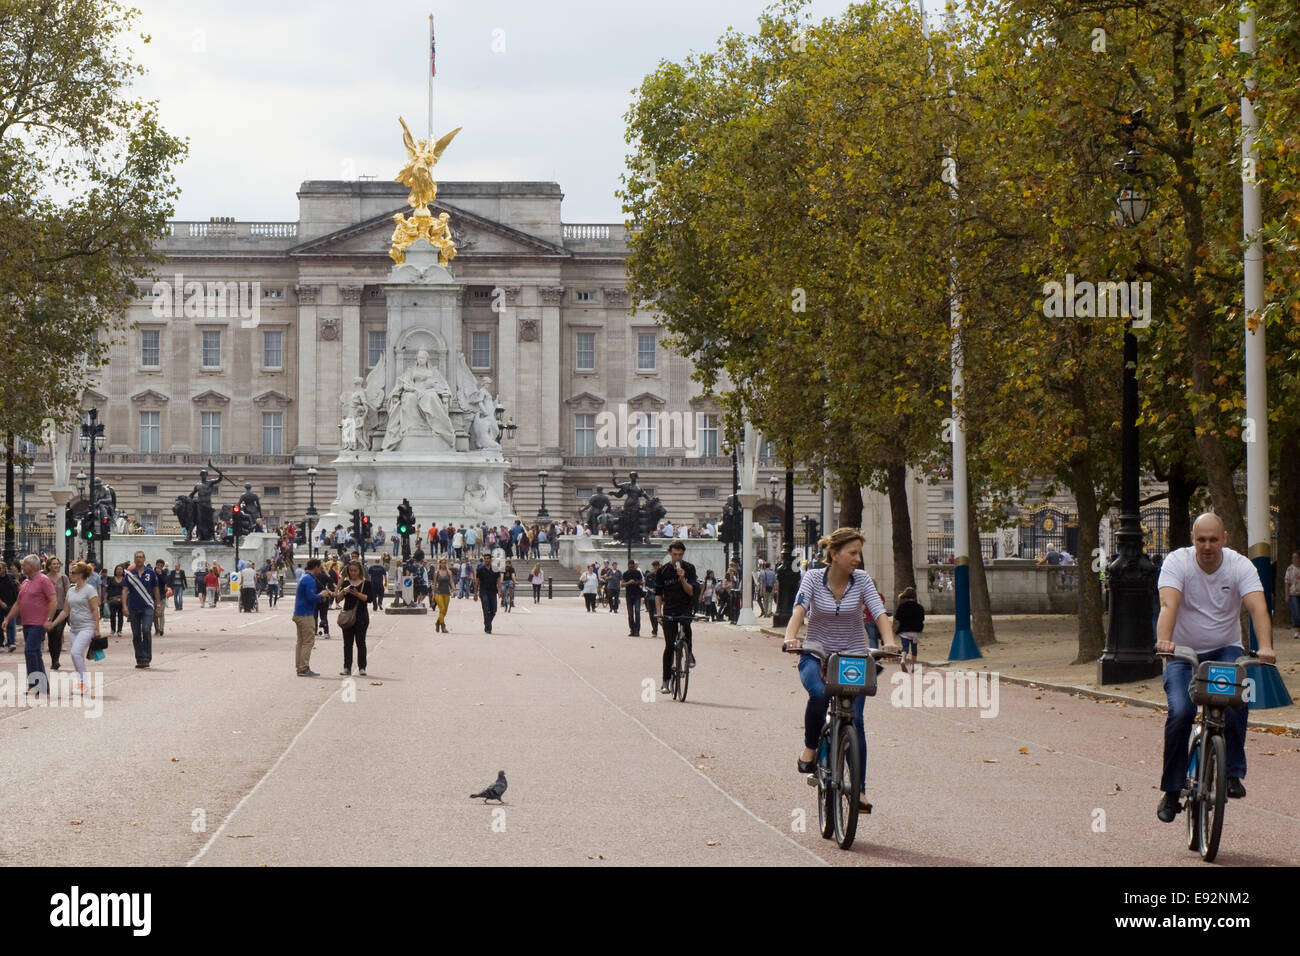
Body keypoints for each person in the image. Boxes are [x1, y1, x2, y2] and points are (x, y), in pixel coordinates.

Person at [1153, 513, 1275, 822]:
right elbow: (1169, 604)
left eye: (1213, 539)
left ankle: (1232, 772)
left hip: (1224, 648)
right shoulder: (1177, 563)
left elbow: (1257, 606)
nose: (1207, 546)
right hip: (1183, 651)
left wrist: (1266, 646)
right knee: (1180, 711)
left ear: (1224, 537)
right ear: (1192, 539)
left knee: (1236, 699)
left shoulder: (1239, 565)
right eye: (1200, 540)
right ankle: (1171, 790)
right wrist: (1164, 642)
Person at [782, 528, 899, 811]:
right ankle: (811, 748)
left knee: (855, 722)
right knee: (820, 694)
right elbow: (799, 609)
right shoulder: (811, 578)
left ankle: (858, 790)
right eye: (852, 553)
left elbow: (879, 611)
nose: (858, 559)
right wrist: (790, 637)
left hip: (853, 659)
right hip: (816, 655)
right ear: (834, 554)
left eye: (860, 553)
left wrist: (890, 641)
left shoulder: (861, 581)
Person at [3, 556, 56, 693]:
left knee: (30, 650)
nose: (22, 566)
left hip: (38, 623)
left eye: (25, 564)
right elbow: (18, 603)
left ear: (32, 566)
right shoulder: (25, 582)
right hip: (27, 623)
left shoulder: (43, 580)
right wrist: (8, 619)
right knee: (35, 653)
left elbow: (53, 600)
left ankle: (34, 682)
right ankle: (43, 686)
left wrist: (49, 619)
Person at [48, 561, 99, 693]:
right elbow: (65, 611)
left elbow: (95, 610)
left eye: (74, 572)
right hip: (74, 629)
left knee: (75, 653)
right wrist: (53, 623)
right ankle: (81, 683)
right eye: (70, 572)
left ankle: (83, 684)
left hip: (87, 627)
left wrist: (96, 629)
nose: (71, 574)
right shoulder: (71, 590)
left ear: (81, 574)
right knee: (78, 656)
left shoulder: (90, 590)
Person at [655, 541, 697, 694]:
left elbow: (691, 591)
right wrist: (659, 613)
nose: (677, 557)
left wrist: (682, 579)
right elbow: (658, 594)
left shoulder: (689, 568)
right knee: (669, 646)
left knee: (686, 626)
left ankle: (689, 652)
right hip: (670, 609)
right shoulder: (663, 571)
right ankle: (665, 681)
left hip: (685, 607)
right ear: (670, 553)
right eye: (675, 554)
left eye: (680, 554)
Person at [333, 561, 372, 676]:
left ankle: (362, 667)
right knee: (347, 643)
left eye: (355, 570)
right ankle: (347, 667)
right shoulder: (345, 583)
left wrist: (356, 593)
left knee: (361, 642)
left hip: (361, 616)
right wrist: (344, 591)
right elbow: (338, 599)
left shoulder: (366, 583)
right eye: (351, 571)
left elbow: (368, 599)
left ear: (360, 571)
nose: (353, 573)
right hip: (348, 616)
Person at [123, 550, 161, 668]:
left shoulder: (150, 573)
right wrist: (124, 606)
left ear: (144, 559)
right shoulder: (129, 574)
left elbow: (156, 589)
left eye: (141, 557)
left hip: (148, 606)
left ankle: (146, 657)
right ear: (134, 559)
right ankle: (139, 658)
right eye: (137, 557)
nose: (139, 559)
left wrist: (158, 605)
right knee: (136, 634)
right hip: (134, 607)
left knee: (146, 630)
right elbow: (124, 590)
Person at [292, 558, 329, 676]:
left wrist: (318, 597)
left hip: (299, 613)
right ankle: (303, 668)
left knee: (301, 642)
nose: (322, 569)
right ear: (316, 567)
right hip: (306, 614)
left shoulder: (304, 577)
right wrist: (321, 595)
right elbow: (311, 597)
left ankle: (300, 666)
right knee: (308, 642)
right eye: (321, 567)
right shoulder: (310, 580)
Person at [43, 557, 69, 671]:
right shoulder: (44, 579)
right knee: (51, 635)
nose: (57, 566)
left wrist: (68, 609)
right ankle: (53, 660)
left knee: (58, 633)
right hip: (48, 611)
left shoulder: (64, 578)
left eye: (58, 564)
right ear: (49, 566)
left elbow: (68, 594)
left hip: (61, 611)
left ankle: (56, 660)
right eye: (54, 564)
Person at [894, 586, 926, 674]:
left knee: (905, 648)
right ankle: (914, 667)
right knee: (914, 649)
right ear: (915, 596)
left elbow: (897, 617)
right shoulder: (919, 607)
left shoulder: (902, 606)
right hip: (915, 631)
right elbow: (922, 618)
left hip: (904, 630)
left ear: (906, 596)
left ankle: (903, 660)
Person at [473, 555, 502, 633]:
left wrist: (499, 591)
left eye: (488, 559)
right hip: (483, 592)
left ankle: (487, 622)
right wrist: (475, 593)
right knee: (486, 609)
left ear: (491, 560)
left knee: (494, 610)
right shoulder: (480, 570)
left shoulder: (496, 569)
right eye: (485, 559)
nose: (486, 560)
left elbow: (498, 581)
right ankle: (488, 627)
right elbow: (477, 582)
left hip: (493, 592)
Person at [0, 561, 18, 652]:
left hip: (11, 603)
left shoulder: (11, 577)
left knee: (11, 624)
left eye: (0, 568)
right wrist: (1, 602)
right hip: (1, 604)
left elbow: (16, 589)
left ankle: (11, 643)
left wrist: (18, 584)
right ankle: (1, 644)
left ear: (4, 569)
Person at [432, 558, 454, 632]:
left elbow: (451, 582)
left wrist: (454, 589)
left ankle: (437, 622)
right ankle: (443, 626)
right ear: (440, 564)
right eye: (442, 563)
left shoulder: (449, 572)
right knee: (442, 609)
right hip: (438, 593)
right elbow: (434, 584)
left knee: (445, 611)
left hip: (446, 593)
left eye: (445, 563)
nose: (443, 564)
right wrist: (433, 594)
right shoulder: (436, 572)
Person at [623, 560, 644, 636]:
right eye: (630, 567)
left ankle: (637, 630)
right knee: (630, 614)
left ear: (634, 566)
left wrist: (635, 582)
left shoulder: (637, 573)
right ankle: (632, 629)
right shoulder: (625, 574)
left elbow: (642, 582)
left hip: (637, 595)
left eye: (632, 567)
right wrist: (629, 582)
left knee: (637, 612)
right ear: (628, 566)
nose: (631, 568)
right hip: (629, 595)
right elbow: (622, 584)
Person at [105, 565, 126, 635]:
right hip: (112, 599)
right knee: (112, 615)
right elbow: (107, 590)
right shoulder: (111, 579)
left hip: (122, 600)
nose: (119, 571)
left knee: (120, 615)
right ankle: (113, 630)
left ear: (123, 571)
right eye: (117, 569)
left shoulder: (125, 579)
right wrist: (105, 599)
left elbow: (127, 590)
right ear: (115, 571)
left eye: (120, 569)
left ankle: (119, 630)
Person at [1286, 551, 1300, 640]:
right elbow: (1287, 582)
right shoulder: (1290, 569)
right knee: (1296, 612)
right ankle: (1297, 631)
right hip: (1294, 593)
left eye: (1296, 557)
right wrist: (1286, 595)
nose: (1294, 559)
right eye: (1293, 557)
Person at [644, 560, 661, 636]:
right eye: (654, 566)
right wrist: (651, 589)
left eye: (657, 566)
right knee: (651, 614)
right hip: (650, 596)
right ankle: (654, 628)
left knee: (656, 613)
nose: (655, 567)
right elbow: (646, 586)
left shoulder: (661, 575)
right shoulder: (649, 575)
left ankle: (655, 630)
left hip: (658, 597)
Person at [153, 559, 169, 633]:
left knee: (161, 612)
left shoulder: (164, 573)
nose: (159, 567)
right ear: (156, 565)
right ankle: (157, 629)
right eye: (158, 565)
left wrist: (160, 574)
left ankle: (161, 628)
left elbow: (165, 581)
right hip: (153, 596)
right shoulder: (151, 572)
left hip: (162, 596)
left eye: (161, 566)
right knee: (155, 614)